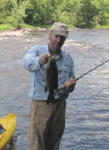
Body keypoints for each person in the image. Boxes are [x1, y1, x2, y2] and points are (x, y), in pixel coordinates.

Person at [22, 22, 76, 150]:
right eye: (57, 36)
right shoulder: (36, 50)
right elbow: (26, 63)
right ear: (50, 34)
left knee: (54, 144)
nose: (59, 40)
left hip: (60, 106)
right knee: (37, 144)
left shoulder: (68, 58)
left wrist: (70, 85)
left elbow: (72, 78)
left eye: (62, 38)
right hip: (40, 105)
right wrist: (40, 61)